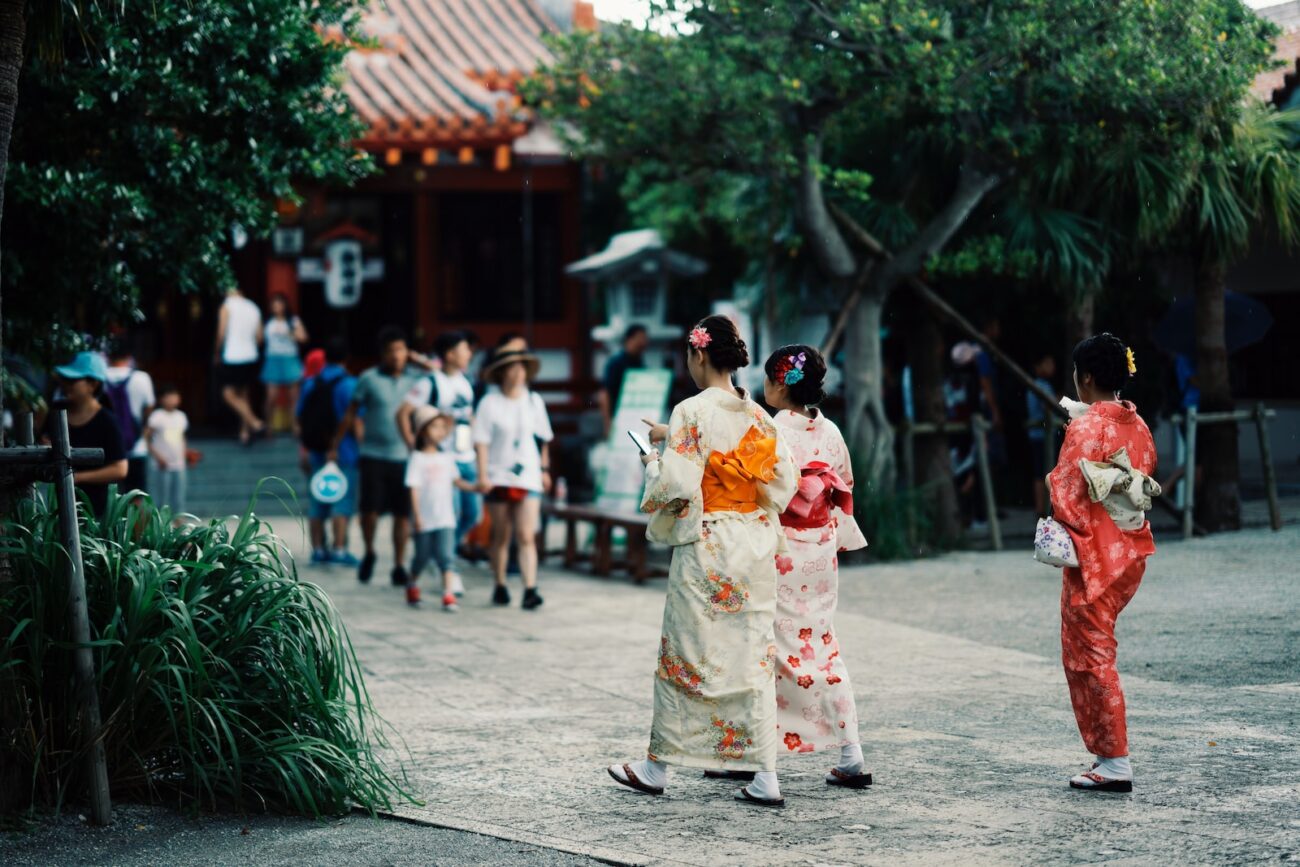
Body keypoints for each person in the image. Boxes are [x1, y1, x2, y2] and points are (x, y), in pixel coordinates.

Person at [607, 315, 797, 808]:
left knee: (687, 654)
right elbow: (781, 483)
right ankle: (764, 777)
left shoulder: (691, 409)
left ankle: (656, 767)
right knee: (752, 657)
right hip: (752, 541)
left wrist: (653, 461)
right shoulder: (758, 415)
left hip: (709, 543)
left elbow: (677, 485)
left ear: (698, 355)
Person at [755, 344, 872, 790]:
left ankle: (759, 762)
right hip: (820, 547)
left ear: (779, 383)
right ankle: (851, 751)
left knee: (773, 648)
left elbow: (761, 492)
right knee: (821, 640)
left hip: (782, 546)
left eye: (768, 378)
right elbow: (845, 480)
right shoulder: (829, 430)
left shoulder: (769, 430)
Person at [1048, 333, 1159, 793]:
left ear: (1086, 377)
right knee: (1097, 649)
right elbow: (1143, 469)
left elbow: (1066, 497)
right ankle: (1105, 755)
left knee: (1091, 657)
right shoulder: (1137, 423)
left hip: (1096, 555)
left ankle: (1113, 760)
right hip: (1130, 549)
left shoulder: (1087, 428)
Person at [330, 327, 420, 585]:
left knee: (402, 515)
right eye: (391, 350)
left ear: (407, 352)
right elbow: (351, 413)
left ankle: (399, 564)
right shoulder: (368, 378)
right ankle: (370, 551)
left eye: (401, 350)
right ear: (382, 353)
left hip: (403, 456)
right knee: (369, 512)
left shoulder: (416, 381)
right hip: (372, 454)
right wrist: (336, 445)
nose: (396, 355)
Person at [397, 329, 480, 593]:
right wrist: (415, 445)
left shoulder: (465, 382)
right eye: (465, 349)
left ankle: (441, 556)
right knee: (451, 516)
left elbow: (470, 416)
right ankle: (449, 568)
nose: (469, 354)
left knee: (473, 514)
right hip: (443, 460)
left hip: (467, 457)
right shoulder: (428, 383)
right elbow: (404, 413)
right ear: (450, 354)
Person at [473, 347, 553, 609]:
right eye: (511, 367)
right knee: (501, 533)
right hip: (498, 474)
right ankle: (500, 583)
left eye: (521, 367)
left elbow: (543, 439)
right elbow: (481, 442)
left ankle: (530, 587)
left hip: (528, 473)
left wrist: (544, 470)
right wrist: (483, 474)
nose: (518, 372)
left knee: (526, 534)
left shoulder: (533, 401)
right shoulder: (489, 403)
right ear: (501, 372)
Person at [406, 406, 476, 611]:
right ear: (422, 431)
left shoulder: (447, 458)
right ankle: (412, 582)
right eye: (433, 426)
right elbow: (414, 488)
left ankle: (448, 594)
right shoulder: (417, 459)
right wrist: (417, 516)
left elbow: (457, 481)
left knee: (447, 557)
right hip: (425, 518)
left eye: (441, 427)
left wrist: (475, 487)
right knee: (422, 556)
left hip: (445, 517)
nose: (439, 431)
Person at [43, 352, 128, 519]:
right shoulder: (56, 411)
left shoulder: (107, 421)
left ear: (93, 384)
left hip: (96, 512)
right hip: (56, 508)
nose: (66, 385)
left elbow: (120, 469)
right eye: (65, 380)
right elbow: (42, 442)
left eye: (73, 380)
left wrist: (75, 478)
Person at [299, 337, 360, 565]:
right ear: (346, 358)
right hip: (344, 452)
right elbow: (355, 421)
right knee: (341, 501)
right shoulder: (350, 384)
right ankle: (339, 550)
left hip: (315, 450)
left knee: (317, 501)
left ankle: (317, 550)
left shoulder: (310, 383)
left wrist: (304, 449)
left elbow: (299, 418)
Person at [213, 286, 266, 445]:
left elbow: (221, 332)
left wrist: (217, 351)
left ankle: (255, 422)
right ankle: (244, 432)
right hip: (250, 355)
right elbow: (260, 337)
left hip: (233, 355)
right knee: (243, 394)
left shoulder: (227, 306)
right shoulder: (253, 307)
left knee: (228, 394)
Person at [104, 344, 155, 494]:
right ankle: (137, 519)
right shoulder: (141, 377)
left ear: (107, 357)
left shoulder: (98, 378)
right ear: (129, 357)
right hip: (136, 444)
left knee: (110, 493)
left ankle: (112, 518)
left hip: (107, 445)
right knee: (138, 493)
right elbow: (149, 407)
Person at [260, 293, 308, 433]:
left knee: (293, 397)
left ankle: (295, 425)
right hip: (273, 358)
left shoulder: (293, 320)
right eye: (274, 304)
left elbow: (303, 338)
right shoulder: (268, 321)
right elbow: (260, 339)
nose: (277, 307)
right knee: (271, 397)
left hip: (289, 358)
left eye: (279, 304)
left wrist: (290, 333)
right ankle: (268, 426)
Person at [144, 384, 188, 515]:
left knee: (179, 499)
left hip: (179, 464)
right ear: (162, 399)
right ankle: (160, 527)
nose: (172, 399)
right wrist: (158, 457)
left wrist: (185, 454)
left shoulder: (181, 416)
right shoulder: (157, 416)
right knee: (161, 499)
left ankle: (180, 527)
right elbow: (146, 438)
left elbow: (182, 437)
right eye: (169, 397)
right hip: (161, 465)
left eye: (175, 396)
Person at [598, 324, 649, 435]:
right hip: (618, 418)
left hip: (636, 418)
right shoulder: (616, 363)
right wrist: (607, 422)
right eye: (641, 338)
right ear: (630, 339)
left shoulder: (640, 363)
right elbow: (604, 394)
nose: (644, 342)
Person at [1026, 352, 1059, 518]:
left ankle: (1044, 506)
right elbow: (1049, 406)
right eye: (1047, 363)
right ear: (1038, 367)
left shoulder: (1038, 385)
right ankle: (1042, 507)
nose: (1051, 367)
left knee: (1041, 472)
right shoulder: (1041, 387)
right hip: (1041, 435)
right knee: (1042, 472)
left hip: (1038, 435)